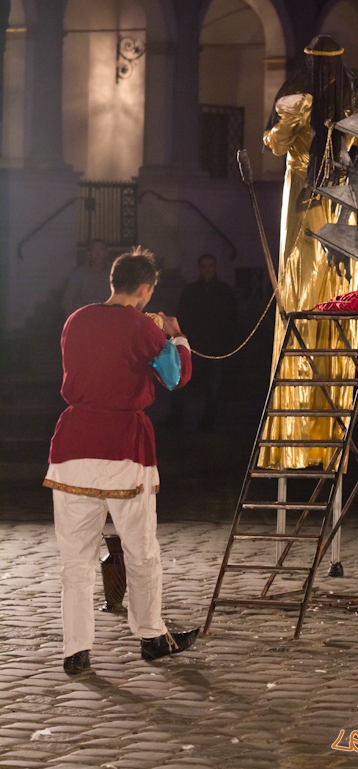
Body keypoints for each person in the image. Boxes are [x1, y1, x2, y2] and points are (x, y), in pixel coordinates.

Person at [44, 247, 198, 674]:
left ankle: (76, 649)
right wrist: (176, 336)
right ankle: (151, 635)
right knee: (140, 549)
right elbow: (174, 376)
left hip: (73, 445)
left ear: (113, 282)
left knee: (75, 558)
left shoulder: (76, 319)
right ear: (146, 288)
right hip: (123, 446)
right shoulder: (139, 325)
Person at [260, 34, 358, 469]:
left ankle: (297, 434)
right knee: (333, 302)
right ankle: (325, 431)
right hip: (340, 206)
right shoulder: (353, 108)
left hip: (307, 207)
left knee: (301, 299)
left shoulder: (295, 103)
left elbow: (276, 144)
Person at [177, 254, 238, 432]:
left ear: (215, 267)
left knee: (214, 386)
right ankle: (179, 419)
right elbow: (183, 316)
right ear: (199, 268)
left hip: (217, 346)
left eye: (210, 266)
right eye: (204, 266)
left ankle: (209, 421)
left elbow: (232, 318)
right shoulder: (191, 291)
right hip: (196, 345)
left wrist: (228, 342)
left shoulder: (224, 291)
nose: (207, 269)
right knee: (186, 383)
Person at [62, 239, 111, 317]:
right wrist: (76, 319)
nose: (98, 253)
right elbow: (68, 300)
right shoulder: (79, 273)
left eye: (101, 250)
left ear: (106, 253)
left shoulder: (114, 273)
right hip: (85, 319)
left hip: (109, 318)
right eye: (94, 250)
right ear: (89, 253)